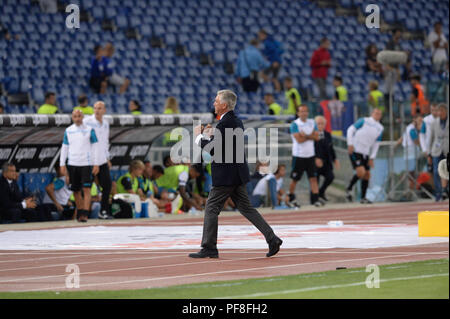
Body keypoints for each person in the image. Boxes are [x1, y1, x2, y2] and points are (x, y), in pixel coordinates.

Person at [190, 89, 282, 258]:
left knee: (211, 208)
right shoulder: (234, 121)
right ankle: (272, 238)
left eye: (217, 101)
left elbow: (214, 150)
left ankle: (209, 247)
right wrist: (209, 136)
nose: (214, 104)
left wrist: (198, 137)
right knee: (247, 209)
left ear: (224, 105)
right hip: (236, 173)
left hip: (226, 175)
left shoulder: (226, 124)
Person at [60, 109, 100, 222]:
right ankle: (80, 212)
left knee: (86, 189)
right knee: (76, 190)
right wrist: (62, 164)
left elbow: (96, 146)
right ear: (72, 118)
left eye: (79, 116)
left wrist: (96, 163)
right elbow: (64, 147)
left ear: (82, 117)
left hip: (86, 164)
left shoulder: (89, 130)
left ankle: (85, 214)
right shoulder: (68, 131)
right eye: (75, 116)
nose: (77, 118)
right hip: (72, 163)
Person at [346, 108, 384, 204]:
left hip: (365, 152)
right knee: (361, 172)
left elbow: (376, 144)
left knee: (367, 175)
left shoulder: (380, 128)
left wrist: (372, 157)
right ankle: (349, 188)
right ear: (372, 113)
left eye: (379, 113)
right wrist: (350, 143)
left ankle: (363, 197)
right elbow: (350, 129)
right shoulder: (364, 120)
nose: (377, 115)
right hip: (356, 149)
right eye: (376, 113)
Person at [287, 104, 322, 207]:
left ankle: (316, 199)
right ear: (298, 113)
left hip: (310, 155)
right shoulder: (295, 124)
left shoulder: (312, 122)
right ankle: (291, 197)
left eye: (306, 111)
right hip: (299, 156)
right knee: (295, 179)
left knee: (313, 178)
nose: (304, 113)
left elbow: (317, 137)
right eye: (302, 111)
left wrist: (305, 135)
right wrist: (310, 135)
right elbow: (299, 140)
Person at [83, 101, 112, 219]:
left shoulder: (105, 123)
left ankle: (103, 211)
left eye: (99, 108)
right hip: (89, 160)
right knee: (87, 187)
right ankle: (83, 212)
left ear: (104, 110)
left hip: (102, 159)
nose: (97, 110)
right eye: (95, 108)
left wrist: (107, 157)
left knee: (107, 185)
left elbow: (105, 142)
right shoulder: (87, 122)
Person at [314, 116, 340, 203]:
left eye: (322, 123)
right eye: (318, 123)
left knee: (330, 177)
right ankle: (314, 200)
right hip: (316, 163)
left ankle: (321, 192)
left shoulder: (328, 135)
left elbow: (331, 148)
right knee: (315, 182)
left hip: (327, 162)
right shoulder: (312, 135)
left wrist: (335, 159)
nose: (320, 125)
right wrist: (315, 159)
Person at [396, 115, 425, 190]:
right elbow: (416, 141)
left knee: (411, 172)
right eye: (419, 121)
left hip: (409, 153)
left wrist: (396, 145)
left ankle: (410, 189)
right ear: (414, 120)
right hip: (412, 153)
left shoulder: (409, 127)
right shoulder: (412, 129)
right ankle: (410, 189)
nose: (420, 123)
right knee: (412, 173)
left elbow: (402, 138)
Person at [427, 104, 449, 201]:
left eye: (442, 111)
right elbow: (431, 137)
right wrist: (429, 153)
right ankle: (438, 193)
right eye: (438, 111)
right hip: (436, 150)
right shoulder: (434, 123)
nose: (440, 113)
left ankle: (446, 191)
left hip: (447, 149)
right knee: (436, 172)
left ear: (446, 111)